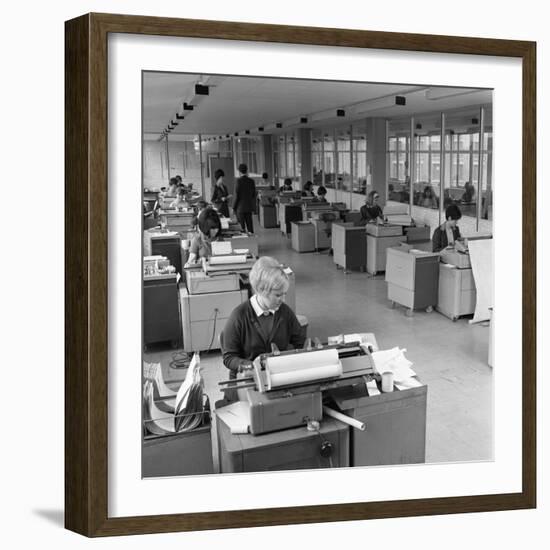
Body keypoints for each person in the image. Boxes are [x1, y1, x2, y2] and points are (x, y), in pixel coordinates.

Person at [221, 256, 305, 385]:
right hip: (247, 382)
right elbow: (229, 358)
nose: (282, 299)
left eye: (284, 294)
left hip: (277, 378)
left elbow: (299, 342)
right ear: (261, 290)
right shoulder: (239, 316)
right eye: (278, 295)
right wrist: (249, 366)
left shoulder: (285, 312)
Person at [233, 163, 256, 233]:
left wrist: (233, 207)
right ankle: (252, 242)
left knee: (241, 228)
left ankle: (244, 243)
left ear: (239, 172)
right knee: (250, 227)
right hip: (249, 207)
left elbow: (236, 196)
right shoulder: (251, 181)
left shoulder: (238, 181)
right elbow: (253, 194)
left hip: (240, 208)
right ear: (247, 171)